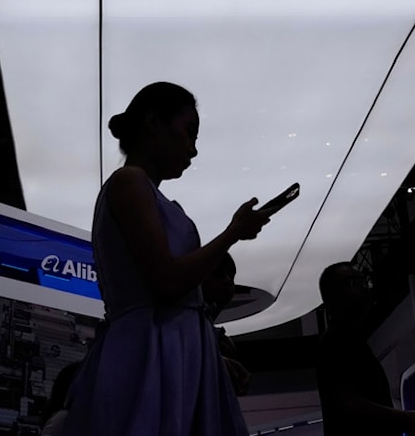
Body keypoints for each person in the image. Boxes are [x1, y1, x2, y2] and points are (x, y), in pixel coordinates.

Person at [61, 82, 288, 436]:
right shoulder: (129, 182)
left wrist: (213, 358)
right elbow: (166, 283)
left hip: (165, 349)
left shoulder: (146, 192)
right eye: (189, 133)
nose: (193, 150)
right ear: (154, 122)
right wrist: (232, 233)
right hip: (150, 350)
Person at [316, 261, 415, 436]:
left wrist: (412, 423)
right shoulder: (335, 341)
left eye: (365, 281)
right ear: (332, 298)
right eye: (353, 283)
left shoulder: (350, 342)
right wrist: (409, 419)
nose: (364, 289)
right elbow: (348, 405)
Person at [202, 251, 250, 396]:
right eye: (218, 274)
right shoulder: (188, 334)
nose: (228, 280)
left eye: (231, 276)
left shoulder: (222, 341)